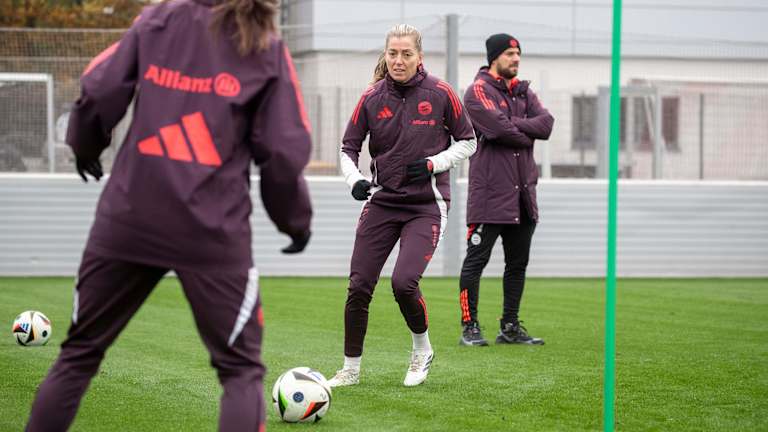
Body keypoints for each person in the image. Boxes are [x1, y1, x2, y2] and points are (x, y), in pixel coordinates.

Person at [25, 1, 312, 431]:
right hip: (211, 230)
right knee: (240, 371)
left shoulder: (157, 19)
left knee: (79, 354)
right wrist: (294, 220)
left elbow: (99, 89)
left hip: (129, 217)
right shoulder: (266, 45)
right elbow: (284, 152)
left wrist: (85, 145)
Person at [329, 24, 477, 387]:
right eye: (393, 53)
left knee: (403, 282)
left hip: (426, 205)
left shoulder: (441, 92)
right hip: (382, 202)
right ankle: (350, 369)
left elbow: (469, 141)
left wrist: (433, 164)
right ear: (386, 55)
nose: (398, 60)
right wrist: (355, 180)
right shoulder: (371, 97)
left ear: (419, 57)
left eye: (406, 53)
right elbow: (347, 148)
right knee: (359, 286)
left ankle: (421, 351)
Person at [458, 33, 554, 347]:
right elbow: (497, 128)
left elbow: (547, 124)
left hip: (523, 196)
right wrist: (523, 129)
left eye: (518, 53)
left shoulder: (524, 92)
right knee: (476, 262)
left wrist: (514, 124)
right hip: (490, 196)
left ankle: (510, 327)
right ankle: (469, 326)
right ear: (495, 57)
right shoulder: (477, 90)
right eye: (510, 53)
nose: (516, 59)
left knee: (517, 264)